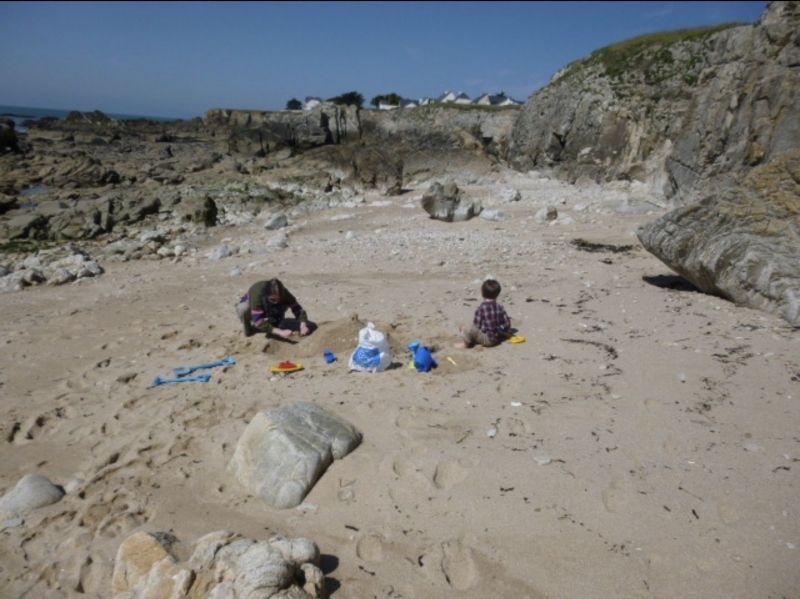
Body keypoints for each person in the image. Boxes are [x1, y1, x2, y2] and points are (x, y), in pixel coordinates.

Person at [236, 278, 315, 338]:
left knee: (278, 311)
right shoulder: (257, 294)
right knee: (243, 308)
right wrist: (280, 332)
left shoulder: (285, 294)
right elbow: (257, 319)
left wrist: (303, 325)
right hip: (254, 305)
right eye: (273, 299)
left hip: (269, 305)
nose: (276, 302)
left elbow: (297, 309)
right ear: (267, 295)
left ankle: (276, 322)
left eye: (278, 299)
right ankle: (249, 329)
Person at [454, 279, 512, 349]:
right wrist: (500, 329)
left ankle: (465, 344)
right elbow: (507, 323)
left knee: (468, 328)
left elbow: (477, 325)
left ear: (482, 293)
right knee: (470, 328)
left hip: (487, 340)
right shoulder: (500, 307)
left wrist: (466, 330)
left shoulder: (481, 309)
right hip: (496, 338)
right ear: (497, 295)